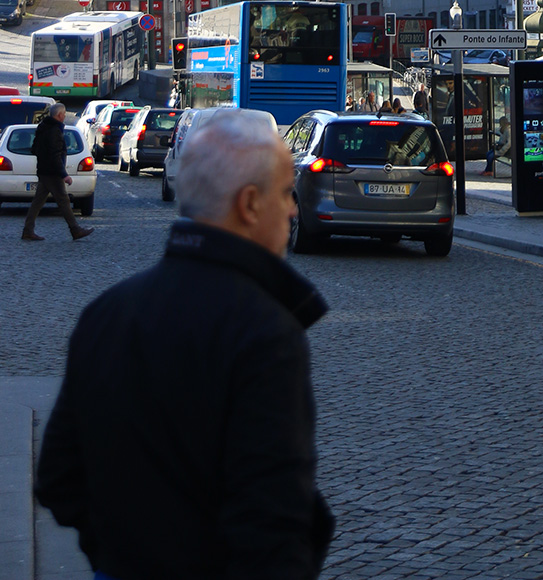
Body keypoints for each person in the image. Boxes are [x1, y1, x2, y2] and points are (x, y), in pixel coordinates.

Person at [36, 109, 334, 580]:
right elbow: (272, 524)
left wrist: (118, 550)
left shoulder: (107, 313)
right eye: (286, 193)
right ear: (250, 204)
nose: (294, 208)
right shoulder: (264, 333)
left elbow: (57, 477)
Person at [22, 103, 93, 243]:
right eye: (64, 114)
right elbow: (56, 154)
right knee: (64, 201)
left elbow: (34, 149)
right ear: (60, 115)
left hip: (44, 170)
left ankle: (28, 231)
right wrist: (64, 174)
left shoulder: (43, 128)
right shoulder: (55, 131)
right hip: (52, 172)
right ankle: (75, 229)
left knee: (38, 202)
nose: (65, 116)